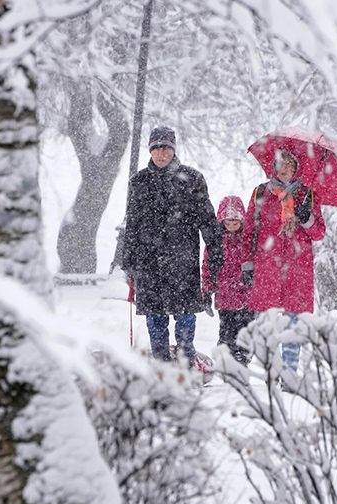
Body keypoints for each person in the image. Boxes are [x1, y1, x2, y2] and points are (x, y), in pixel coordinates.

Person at [121, 126, 223, 366]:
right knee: (155, 318)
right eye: (156, 148)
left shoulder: (193, 178)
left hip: (182, 258)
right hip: (149, 260)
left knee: (185, 315)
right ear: (150, 150)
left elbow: (206, 218)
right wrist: (129, 260)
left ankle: (186, 361)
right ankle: (162, 364)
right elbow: (132, 222)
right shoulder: (139, 181)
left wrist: (215, 250)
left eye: (165, 147)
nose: (161, 153)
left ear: (174, 149)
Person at [240, 150, 325, 372]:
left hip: (298, 269)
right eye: (281, 164)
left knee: (293, 324)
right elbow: (249, 231)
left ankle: (289, 372)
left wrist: (307, 219)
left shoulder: (308, 195)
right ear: (274, 167)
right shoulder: (261, 193)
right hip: (267, 267)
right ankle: (271, 370)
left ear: (298, 168)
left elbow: (319, 234)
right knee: (264, 324)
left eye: (290, 164)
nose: (286, 168)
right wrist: (247, 264)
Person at [202, 196, 256, 365]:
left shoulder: (248, 240)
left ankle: (241, 360)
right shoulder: (216, 241)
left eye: (236, 224)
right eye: (228, 224)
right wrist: (207, 290)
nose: (232, 228)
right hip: (224, 295)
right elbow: (207, 267)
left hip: (245, 295)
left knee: (245, 331)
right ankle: (226, 360)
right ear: (221, 221)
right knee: (226, 331)